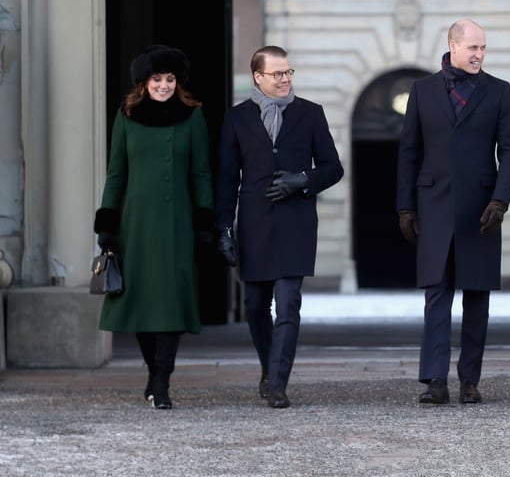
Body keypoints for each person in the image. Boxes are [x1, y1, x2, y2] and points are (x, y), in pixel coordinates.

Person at [396, 19, 510, 405]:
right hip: (432, 208)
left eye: (483, 48)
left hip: (480, 209)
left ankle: (470, 379)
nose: (480, 55)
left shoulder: (499, 92)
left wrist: (500, 201)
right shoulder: (422, 91)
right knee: (436, 294)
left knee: (477, 297)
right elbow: (409, 152)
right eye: (473, 48)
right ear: (453, 45)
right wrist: (405, 207)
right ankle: (435, 380)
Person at [214, 45, 344, 409]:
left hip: (296, 223)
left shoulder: (310, 114)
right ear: (258, 77)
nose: (285, 79)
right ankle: (268, 368)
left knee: (288, 306)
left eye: (288, 72)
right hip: (254, 225)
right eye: (277, 74)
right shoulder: (236, 118)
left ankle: (278, 383)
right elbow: (226, 179)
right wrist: (223, 228)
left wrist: (302, 180)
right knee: (255, 306)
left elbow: (333, 168)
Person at [93, 44, 214, 410]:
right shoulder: (127, 116)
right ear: (144, 82)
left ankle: (162, 380)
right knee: (144, 304)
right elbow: (116, 174)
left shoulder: (192, 117)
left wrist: (205, 219)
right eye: (157, 79)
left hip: (177, 225)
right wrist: (107, 221)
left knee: (171, 305)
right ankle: (153, 373)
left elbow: (201, 173)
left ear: (178, 82)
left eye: (170, 79)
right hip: (136, 226)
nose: (164, 85)